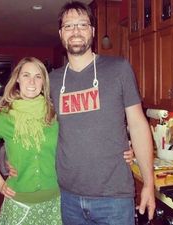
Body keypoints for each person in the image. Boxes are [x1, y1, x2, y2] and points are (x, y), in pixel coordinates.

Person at [48, 1, 155, 225]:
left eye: (82, 25)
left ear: (93, 31)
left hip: (114, 198)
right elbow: (41, 128)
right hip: (68, 196)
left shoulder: (118, 68)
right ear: (60, 34)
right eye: (68, 26)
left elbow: (137, 124)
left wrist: (148, 183)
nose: (75, 31)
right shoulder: (52, 80)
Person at [0, 57, 62, 225]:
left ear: (44, 82)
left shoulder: (56, 113)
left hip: (56, 201)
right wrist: (0, 182)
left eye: (38, 76)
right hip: (19, 202)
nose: (32, 81)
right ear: (17, 78)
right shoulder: (2, 118)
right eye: (26, 75)